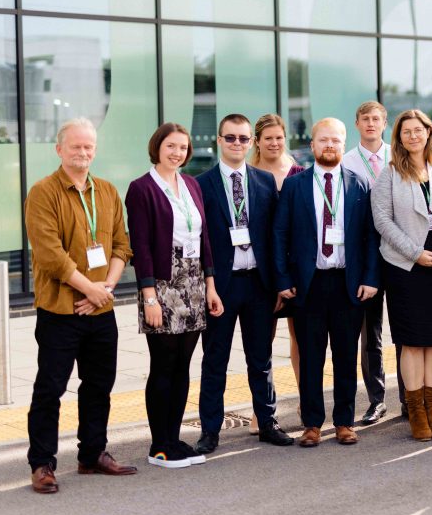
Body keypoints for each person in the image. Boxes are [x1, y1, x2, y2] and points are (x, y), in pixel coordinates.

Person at [24, 117, 137, 494]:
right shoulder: (42, 192)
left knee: (99, 386)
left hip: (100, 310)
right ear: (59, 150)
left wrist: (103, 289)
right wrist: (90, 289)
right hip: (60, 311)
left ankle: (92, 454)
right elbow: (50, 255)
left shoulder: (106, 191)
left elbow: (122, 245)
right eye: (76, 146)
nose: (83, 152)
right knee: (50, 388)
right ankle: (42, 463)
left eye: (89, 147)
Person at [274, 118, 380, 447]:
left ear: (343, 143)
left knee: (346, 356)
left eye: (335, 140)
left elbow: (370, 237)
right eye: (323, 140)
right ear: (313, 145)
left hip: (348, 283)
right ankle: (312, 424)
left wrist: (370, 278)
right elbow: (280, 235)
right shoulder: (295, 186)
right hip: (309, 285)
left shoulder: (360, 183)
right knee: (310, 358)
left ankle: (345, 422)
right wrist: (283, 279)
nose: (329, 145)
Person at [125, 123, 224, 467]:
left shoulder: (192, 184)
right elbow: (140, 245)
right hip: (163, 286)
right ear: (157, 147)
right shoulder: (141, 189)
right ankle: (158, 445)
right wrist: (149, 296)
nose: (177, 152)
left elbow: (205, 238)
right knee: (163, 364)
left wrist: (211, 285)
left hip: (194, 282)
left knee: (183, 364)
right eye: (171, 146)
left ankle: (174, 438)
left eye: (182, 147)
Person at [194, 114, 294, 453]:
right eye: (230, 138)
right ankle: (209, 431)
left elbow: (277, 238)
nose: (237, 143)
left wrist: (280, 284)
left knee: (261, 359)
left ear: (251, 142)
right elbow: (200, 238)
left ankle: (267, 422)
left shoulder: (266, 182)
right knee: (215, 359)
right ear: (219, 141)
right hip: (221, 286)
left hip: (259, 285)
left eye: (243, 138)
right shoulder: (201, 184)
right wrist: (207, 286)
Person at [371, 109, 432, 441]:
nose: (413, 136)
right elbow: (382, 220)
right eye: (406, 131)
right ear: (398, 137)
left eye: (419, 130)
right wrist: (415, 253)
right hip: (406, 266)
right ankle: (415, 413)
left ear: (429, 133)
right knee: (412, 342)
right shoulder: (389, 174)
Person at [342, 101, 405, 424]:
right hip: (365, 256)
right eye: (364, 118)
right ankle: (376, 399)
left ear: (385, 124)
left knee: (405, 329)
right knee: (371, 335)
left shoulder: (399, 157)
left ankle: (409, 397)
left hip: (398, 252)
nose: (370, 124)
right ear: (357, 123)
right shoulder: (346, 162)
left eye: (376, 119)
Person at [249, 113, 304, 433]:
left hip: (295, 268)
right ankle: (262, 410)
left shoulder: (299, 173)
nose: (274, 143)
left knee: (301, 339)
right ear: (257, 141)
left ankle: (303, 400)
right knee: (262, 341)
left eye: (279, 137)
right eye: (268, 138)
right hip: (261, 269)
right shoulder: (251, 174)